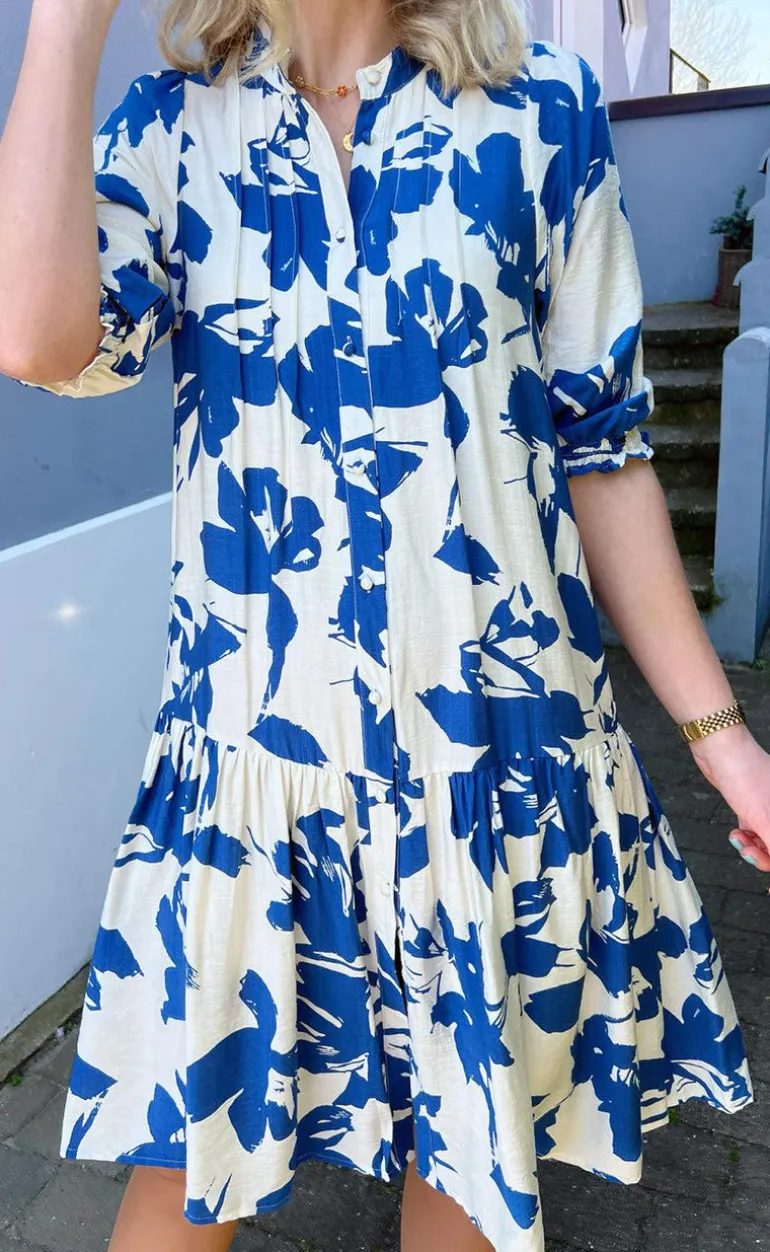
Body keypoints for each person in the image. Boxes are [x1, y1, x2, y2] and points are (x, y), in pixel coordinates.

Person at [0, 0, 765, 1248]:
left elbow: (603, 450)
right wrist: (63, 29)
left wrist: (722, 743)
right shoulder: (171, 127)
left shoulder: (540, 109)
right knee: (185, 1171)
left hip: (496, 756)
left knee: (471, 1162)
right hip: (257, 773)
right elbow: (39, 341)